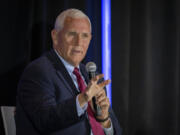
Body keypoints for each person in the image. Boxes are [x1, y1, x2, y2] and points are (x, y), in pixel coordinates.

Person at [15, 8, 122, 135]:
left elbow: (117, 131)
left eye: (85, 36)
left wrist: (104, 120)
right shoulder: (38, 71)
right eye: (72, 34)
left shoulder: (91, 75)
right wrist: (83, 99)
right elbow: (45, 121)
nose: (79, 42)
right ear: (55, 36)